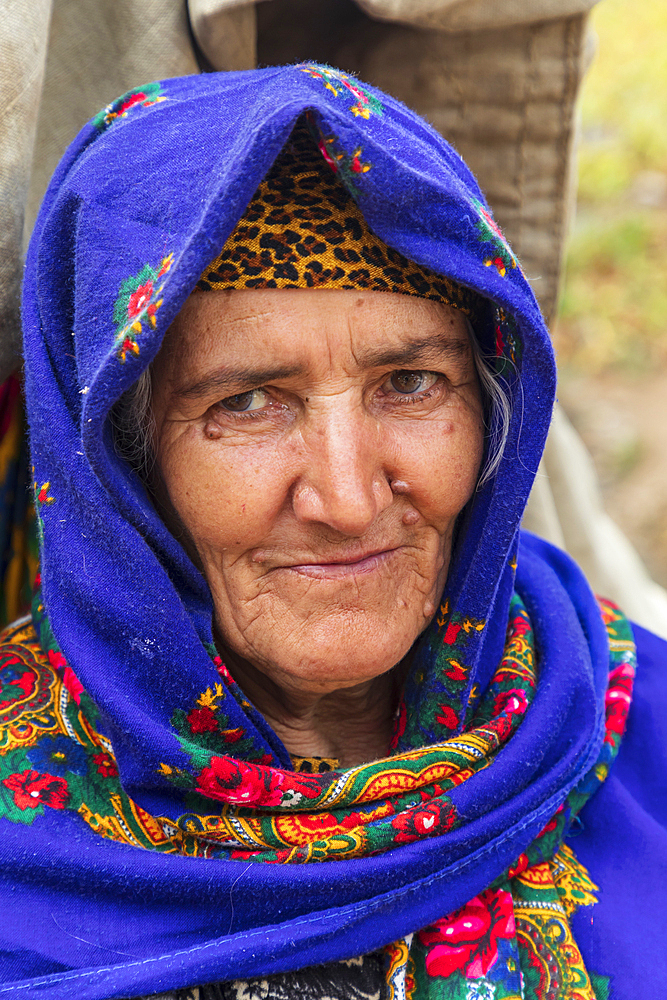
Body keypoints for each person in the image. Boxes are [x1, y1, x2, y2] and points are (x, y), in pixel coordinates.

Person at [1, 64, 665, 1000]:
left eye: (410, 383)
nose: (349, 499)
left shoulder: (633, 725)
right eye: (249, 404)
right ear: (118, 460)